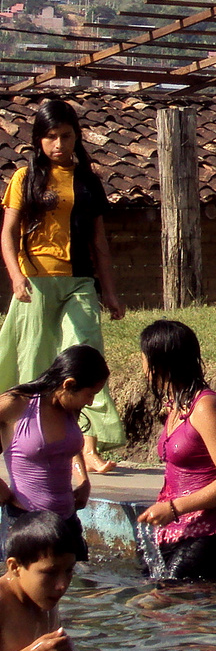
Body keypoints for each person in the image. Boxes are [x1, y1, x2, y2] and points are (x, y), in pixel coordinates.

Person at [0, 100, 125, 476]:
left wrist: (111, 292)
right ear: (39, 140)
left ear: (76, 136)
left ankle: (87, 448)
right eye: (50, 137)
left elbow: (99, 243)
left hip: (80, 282)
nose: (58, 143)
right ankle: (30, 441)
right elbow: (7, 234)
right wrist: (16, 276)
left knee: (86, 356)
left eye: (65, 135)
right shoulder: (25, 179)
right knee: (36, 365)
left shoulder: (89, 182)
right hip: (35, 284)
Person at [135, 320, 216, 582]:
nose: (142, 369)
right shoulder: (176, 404)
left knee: (188, 616)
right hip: (171, 531)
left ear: (160, 362)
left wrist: (173, 508)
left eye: (143, 359)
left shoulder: (206, 407)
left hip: (204, 535)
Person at [0, 348, 111, 563]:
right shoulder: (16, 404)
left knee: (79, 590)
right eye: (90, 394)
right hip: (25, 523)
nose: (89, 402)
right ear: (68, 384)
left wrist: (84, 482)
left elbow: (69, 445)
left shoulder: (69, 406)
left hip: (67, 521)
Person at [0, 510, 105, 651]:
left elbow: (52, 646)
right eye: (50, 572)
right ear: (14, 567)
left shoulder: (44, 597)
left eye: (69, 570)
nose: (62, 585)